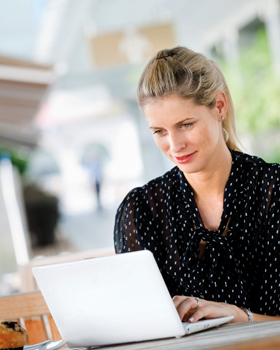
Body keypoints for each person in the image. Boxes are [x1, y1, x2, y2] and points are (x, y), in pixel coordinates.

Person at [114, 46, 280, 323]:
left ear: (219, 106)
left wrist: (240, 316)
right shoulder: (141, 210)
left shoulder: (273, 192)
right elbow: (140, 326)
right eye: (159, 131)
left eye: (186, 124)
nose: (175, 145)